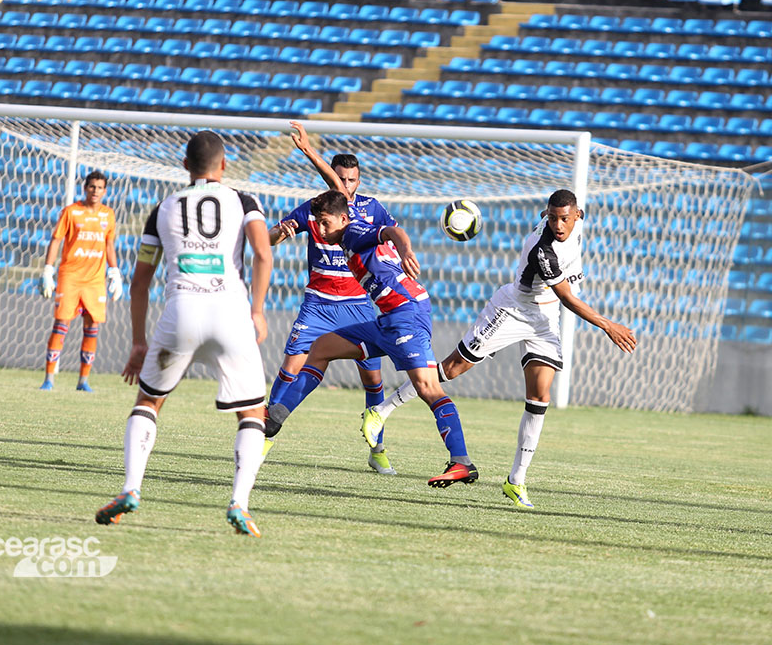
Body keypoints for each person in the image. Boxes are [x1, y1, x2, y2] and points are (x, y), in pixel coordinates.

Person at [361, 189, 637, 509]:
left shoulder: (576, 221)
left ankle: (516, 481)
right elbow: (568, 299)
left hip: (545, 319)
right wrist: (608, 325)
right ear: (547, 216)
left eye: (564, 218)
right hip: (512, 311)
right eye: (553, 218)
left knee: (540, 397)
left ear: (577, 215)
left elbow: (560, 277)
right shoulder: (543, 251)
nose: (559, 225)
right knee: (451, 369)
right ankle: (381, 411)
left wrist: (549, 215)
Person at [95, 131, 273, 537]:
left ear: (184, 165)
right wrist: (258, 311)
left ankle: (131, 489)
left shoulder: (162, 208)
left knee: (149, 401)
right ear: (224, 165)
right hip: (231, 313)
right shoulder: (244, 201)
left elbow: (140, 281)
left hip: (181, 311)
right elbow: (263, 253)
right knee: (251, 413)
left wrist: (138, 342)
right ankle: (239, 504)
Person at [266, 189, 478, 488]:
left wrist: (405, 251)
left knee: (428, 388)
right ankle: (274, 417)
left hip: (407, 314)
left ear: (342, 218)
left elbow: (392, 231)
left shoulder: (352, 232)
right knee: (322, 348)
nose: (321, 229)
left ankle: (461, 462)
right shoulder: (342, 234)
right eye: (319, 223)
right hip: (388, 318)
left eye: (326, 223)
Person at [265, 121, 399, 475]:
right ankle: (263, 438)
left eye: (352, 180)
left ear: (359, 180)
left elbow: (390, 241)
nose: (346, 185)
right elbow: (269, 240)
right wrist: (280, 233)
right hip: (319, 303)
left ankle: (378, 449)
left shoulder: (372, 210)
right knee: (291, 366)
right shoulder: (314, 208)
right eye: (340, 179)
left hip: (357, 306)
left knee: (372, 379)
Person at [39, 170, 122, 392]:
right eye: (92, 187)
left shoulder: (109, 215)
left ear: (105, 191)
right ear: (85, 188)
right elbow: (56, 240)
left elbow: (109, 245)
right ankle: (49, 379)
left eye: (100, 188)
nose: (95, 191)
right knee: (61, 324)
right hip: (71, 276)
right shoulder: (71, 212)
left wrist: (114, 272)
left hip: (95, 280)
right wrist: (48, 270)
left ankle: (83, 381)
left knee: (92, 327)